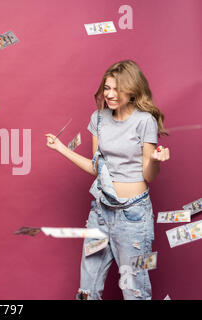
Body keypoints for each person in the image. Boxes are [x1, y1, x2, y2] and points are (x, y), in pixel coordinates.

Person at [45, 60, 170, 300]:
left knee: (135, 291)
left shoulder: (145, 121)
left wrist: (155, 160)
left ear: (132, 90)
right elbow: (96, 168)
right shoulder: (99, 118)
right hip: (100, 212)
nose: (109, 95)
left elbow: (148, 175)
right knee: (86, 292)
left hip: (133, 215)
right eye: (107, 88)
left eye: (117, 89)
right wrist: (61, 148)